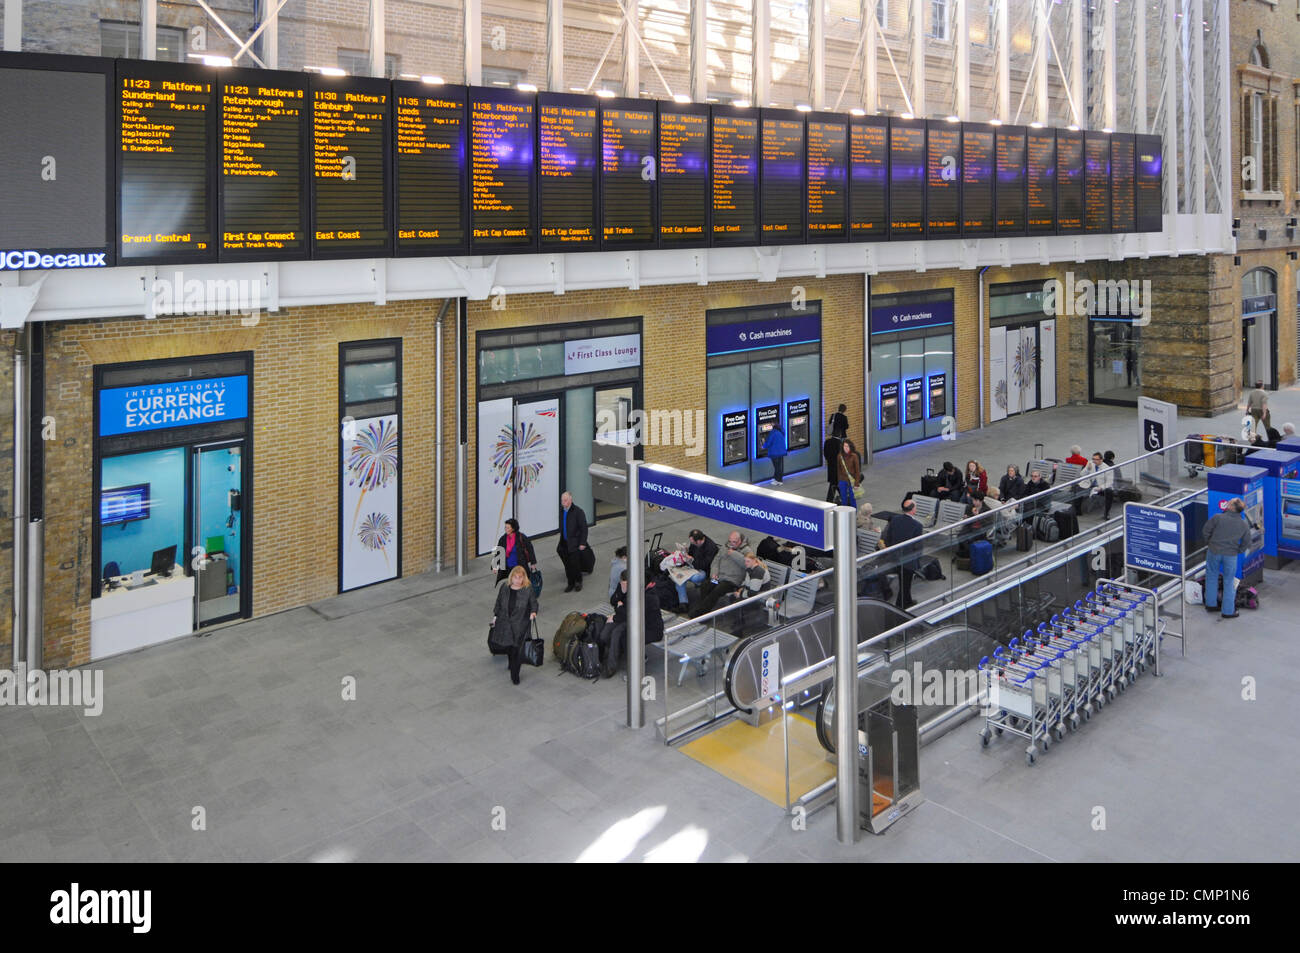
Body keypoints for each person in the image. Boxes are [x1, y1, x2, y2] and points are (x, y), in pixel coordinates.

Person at [603, 571, 664, 674]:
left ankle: (616, 666)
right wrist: (622, 592)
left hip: (641, 625)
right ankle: (615, 654)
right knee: (604, 634)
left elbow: (628, 612)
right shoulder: (623, 587)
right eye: (622, 582)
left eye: (626, 583)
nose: (623, 584)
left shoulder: (647, 597)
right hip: (630, 620)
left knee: (619, 634)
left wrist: (619, 608)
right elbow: (613, 601)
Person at [1202, 497, 1251, 619]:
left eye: (1230, 503)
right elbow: (1246, 542)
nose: (1227, 503)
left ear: (1231, 507)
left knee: (1211, 576)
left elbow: (1205, 531)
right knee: (1229, 581)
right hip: (1231, 555)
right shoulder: (1243, 524)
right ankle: (1228, 611)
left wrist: (1210, 542)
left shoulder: (1218, 518)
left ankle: (1211, 604)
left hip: (1214, 551)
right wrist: (1238, 550)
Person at [489, 565, 539, 685]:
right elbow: (499, 602)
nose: (518, 580)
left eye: (520, 578)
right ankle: (512, 663)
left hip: (520, 625)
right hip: (505, 623)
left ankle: (515, 674)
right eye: (516, 577)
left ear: (523, 578)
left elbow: (534, 603)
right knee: (509, 647)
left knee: (516, 649)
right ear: (511, 577)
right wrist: (495, 617)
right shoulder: (504, 587)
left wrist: (533, 612)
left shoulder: (528, 589)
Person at [690, 530, 748, 618]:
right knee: (706, 585)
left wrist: (734, 554)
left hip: (732, 581)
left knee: (718, 590)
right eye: (730, 541)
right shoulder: (725, 547)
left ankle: (700, 612)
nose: (731, 544)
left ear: (740, 541)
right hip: (719, 578)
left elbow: (746, 564)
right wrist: (714, 573)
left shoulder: (747, 551)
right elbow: (715, 561)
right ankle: (705, 611)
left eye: (734, 542)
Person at [882, 498, 925, 609]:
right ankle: (900, 606)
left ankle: (908, 600)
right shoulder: (917, 526)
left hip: (894, 557)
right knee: (905, 584)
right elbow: (918, 547)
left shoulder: (895, 520)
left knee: (905, 583)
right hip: (907, 560)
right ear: (912, 510)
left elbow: (888, 538)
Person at [555, 491, 589, 593]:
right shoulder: (562, 511)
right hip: (564, 542)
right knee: (567, 565)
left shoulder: (578, 512)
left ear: (570, 500)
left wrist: (582, 542)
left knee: (575, 564)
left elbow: (584, 528)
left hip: (574, 543)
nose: (563, 502)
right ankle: (570, 583)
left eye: (565, 500)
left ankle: (578, 581)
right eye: (562, 500)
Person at [675, 529, 717, 609]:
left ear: (698, 541)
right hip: (693, 567)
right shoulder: (695, 543)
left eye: (693, 543)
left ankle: (694, 584)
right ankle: (683, 603)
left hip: (704, 570)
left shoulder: (711, 548)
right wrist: (686, 553)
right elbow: (691, 553)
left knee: (694, 578)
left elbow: (705, 565)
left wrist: (692, 560)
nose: (692, 544)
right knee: (679, 578)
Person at [495, 518, 537, 585]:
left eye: (508, 528)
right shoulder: (503, 539)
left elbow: (530, 549)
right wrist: (495, 566)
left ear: (513, 528)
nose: (506, 529)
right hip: (508, 566)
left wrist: (533, 563)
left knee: (521, 583)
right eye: (505, 527)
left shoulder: (521, 537)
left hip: (520, 566)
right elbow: (499, 552)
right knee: (511, 583)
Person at [1088, 451, 1115, 519]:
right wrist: (1087, 469)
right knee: (1077, 486)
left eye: (1096, 459)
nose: (1094, 461)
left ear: (1101, 460)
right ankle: (1077, 511)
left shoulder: (1107, 468)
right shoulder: (1090, 464)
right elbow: (1082, 474)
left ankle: (1106, 513)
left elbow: (1109, 482)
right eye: (1093, 459)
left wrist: (1101, 487)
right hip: (1090, 485)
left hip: (1100, 487)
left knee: (1109, 492)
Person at [838, 438, 863, 509]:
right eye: (844, 446)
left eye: (847, 446)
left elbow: (857, 471)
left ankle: (853, 514)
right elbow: (839, 469)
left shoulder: (854, 456)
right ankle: (844, 514)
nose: (846, 448)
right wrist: (839, 481)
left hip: (852, 480)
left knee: (852, 499)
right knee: (843, 499)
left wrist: (857, 483)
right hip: (843, 480)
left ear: (850, 447)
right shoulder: (839, 456)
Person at [823, 434, 843, 503]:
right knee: (836, 484)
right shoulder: (839, 444)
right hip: (838, 469)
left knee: (833, 484)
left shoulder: (827, 442)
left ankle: (830, 499)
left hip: (831, 468)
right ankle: (844, 498)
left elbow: (825, 454)